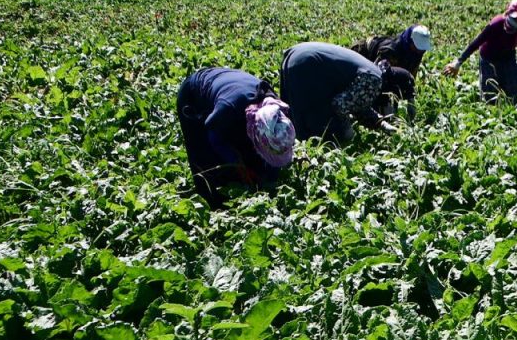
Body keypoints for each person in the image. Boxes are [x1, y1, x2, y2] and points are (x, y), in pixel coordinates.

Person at [176, 67, 295, 206]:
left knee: (249, 155)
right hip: (194, 95)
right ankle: (213, 204)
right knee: (206, 162)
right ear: (256, 135)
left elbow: (274, 146)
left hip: (232, 92)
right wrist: (239, 165)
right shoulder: (229, 108)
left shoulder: (276, 112)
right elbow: (214, 138)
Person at [279, 42, 413, 144]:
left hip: (296, 54)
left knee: (292, 114)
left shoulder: (374, 70)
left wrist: (380, 123)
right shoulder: (374, 80)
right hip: (307, 65)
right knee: (317, 125)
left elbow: (358, 103)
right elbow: (340, 105)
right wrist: (347, 132)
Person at [443, 0, 517, 105]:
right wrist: (458, 63)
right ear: (508, 12)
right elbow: (476, 43)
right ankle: (491, 113)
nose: (515, 22)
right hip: (488, 58)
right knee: (490, 95)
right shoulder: (496, 24)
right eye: (514, 18)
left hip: (508, 59)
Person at [352, 24, 433, 77]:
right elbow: (376, 75)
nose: (420, 51)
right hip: (362, 53)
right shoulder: (390, 51)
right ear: (409, 41)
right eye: (417, 46)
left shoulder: (418, 52)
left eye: (422, 49)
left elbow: (411, 75)